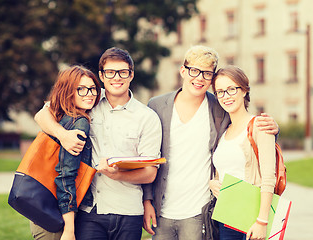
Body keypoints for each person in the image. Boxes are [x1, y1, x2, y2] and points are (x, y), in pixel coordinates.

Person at [142, 45, 279, 240]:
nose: (199, 78)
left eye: (206, 74)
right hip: (164, 210)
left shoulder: (218, 106)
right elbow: (148, 156)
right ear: (183, 71)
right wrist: (147, 200)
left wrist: (273, 128)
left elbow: (250, 127)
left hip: (201, 212)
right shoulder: (157, 106)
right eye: (194, 71)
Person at [34, 47, 162, 240]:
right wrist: (63, 135)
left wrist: (117, 174)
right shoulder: (87, 99)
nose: (116, 78)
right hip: (89, 211)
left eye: (123, 72)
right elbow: (42, 114)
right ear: (101, 75)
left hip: (128, 212)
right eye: (110, 72)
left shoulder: (147, 118)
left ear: (131, 75)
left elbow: (150, 174)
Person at [30, 65, 101, 240]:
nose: (89, 94)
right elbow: (65, 177)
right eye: (81, 89)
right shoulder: (79, 123)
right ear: (68, 91)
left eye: (92, 89)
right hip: (59, 219)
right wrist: (69, 230)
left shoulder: (59, 117)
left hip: (43, 208)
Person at [209, 65, 276, 240]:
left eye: (231, 89)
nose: (226, 96)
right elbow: (227, 169)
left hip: (251, 217)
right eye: (220, 91)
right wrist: (214, 183)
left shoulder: (259, 126)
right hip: (226, 216)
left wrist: (262, 222)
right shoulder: (223, 131)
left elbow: (269, 178)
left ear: (244, 90)